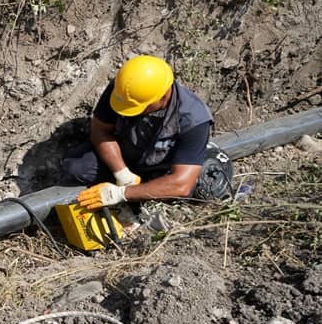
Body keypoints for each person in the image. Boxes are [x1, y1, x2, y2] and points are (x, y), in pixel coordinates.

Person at [60, 55, 232, 210]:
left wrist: (121, 194)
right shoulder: (124, 91)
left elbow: (181, 185)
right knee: (76, 166)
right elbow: (100, 131)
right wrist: (122, 174)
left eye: (138, 108)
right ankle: (133, 189)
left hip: (164, 170)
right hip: (128, 159)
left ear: (163, 97)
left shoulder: (193, 118)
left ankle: (205, 156)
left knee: (182, 191)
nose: (130, 112)